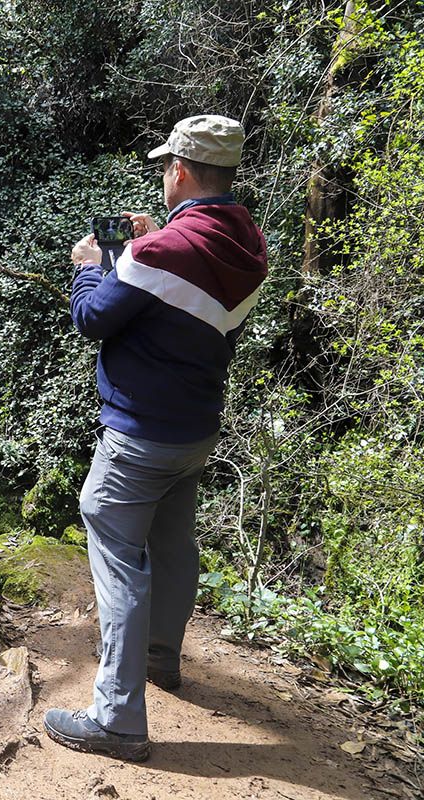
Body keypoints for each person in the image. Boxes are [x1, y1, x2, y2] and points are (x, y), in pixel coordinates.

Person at [42, 115, 269, 761]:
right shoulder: (245, 243)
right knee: (172, 545)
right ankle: (161, 659)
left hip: (139, 436)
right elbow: (183, 301)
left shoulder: (156, 253)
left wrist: (93, 263)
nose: (164, 174)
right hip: (195, 429)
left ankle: (116, 720)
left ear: (182, 170)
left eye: (167, 165)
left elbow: (93, 318)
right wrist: (148, 239)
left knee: (118, 553)